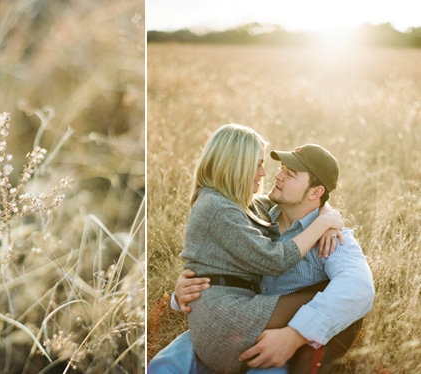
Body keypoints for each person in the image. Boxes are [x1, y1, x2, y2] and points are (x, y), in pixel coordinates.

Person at [148, 138, 374, 374]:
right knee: (164, 366)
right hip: (230, 324)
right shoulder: (254, 212)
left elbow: (359, 288)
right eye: (281, 169)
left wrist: (294, 335)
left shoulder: (333, 239)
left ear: (316, 191)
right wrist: (184, 289)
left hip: (273, 346)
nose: (277, 176)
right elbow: (215, 254)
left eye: (291, 174)